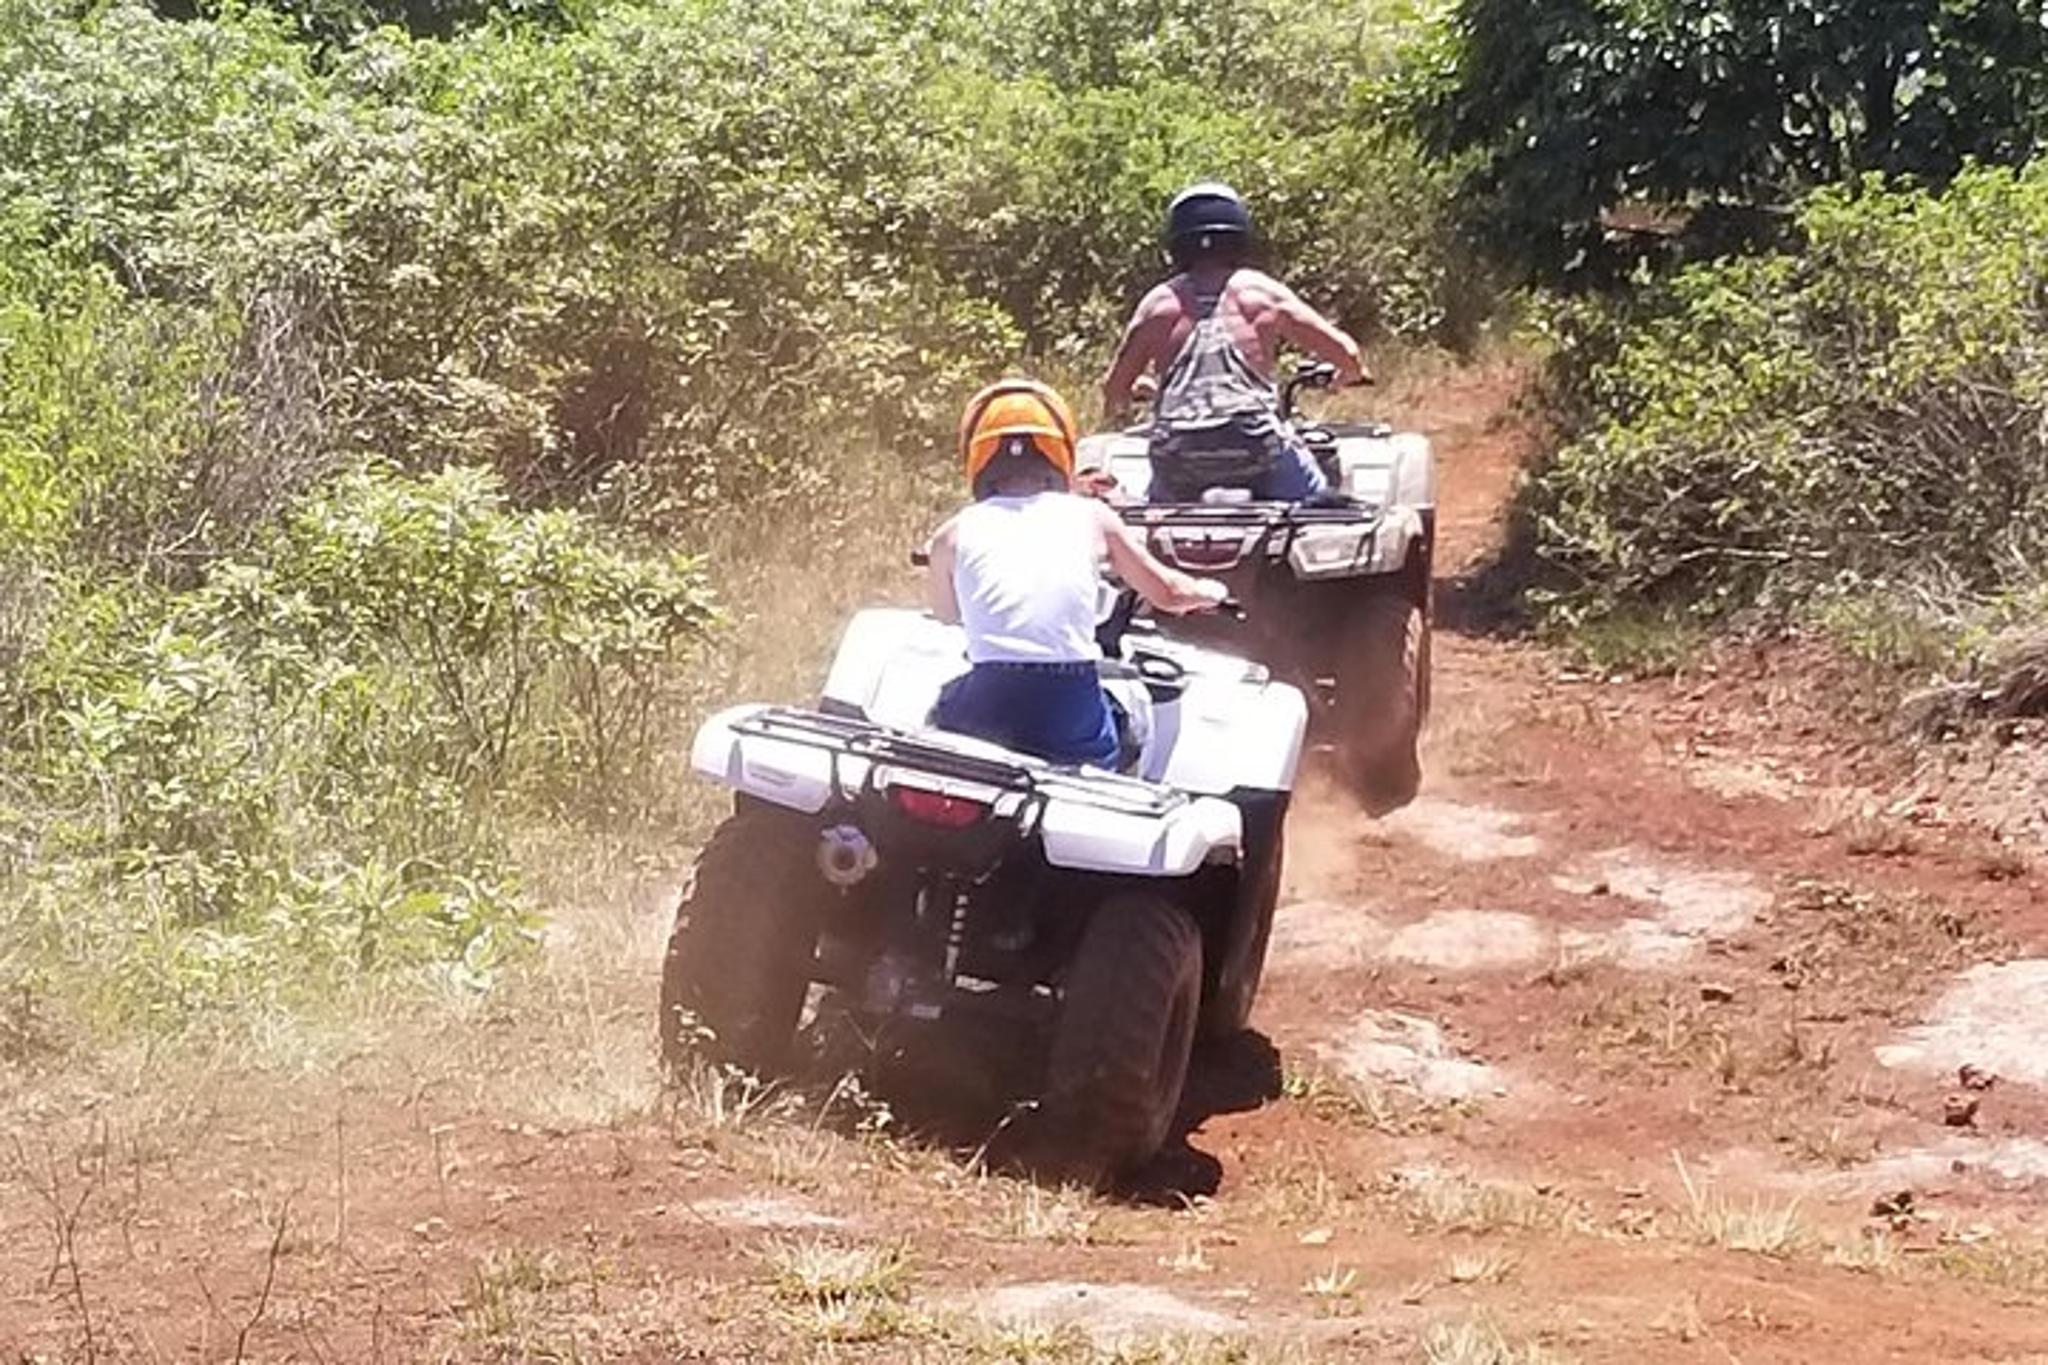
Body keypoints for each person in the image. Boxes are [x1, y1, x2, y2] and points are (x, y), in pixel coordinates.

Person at [924, 378, 1228, 768]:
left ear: (978, 456)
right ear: (1059, 452)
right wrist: (1210, 591)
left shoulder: (951, 533)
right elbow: (1168, 593)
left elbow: (949, 617)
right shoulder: (1094, 517)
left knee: (941, 717)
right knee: (1129, 726)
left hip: (986, 699)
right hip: (1067, 700)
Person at [1101, 181, 1370, 503]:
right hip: (1256, 448)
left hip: (1178, 456)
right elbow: (1346, 353)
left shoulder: (1158, 304)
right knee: (1319, 507)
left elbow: (1115, 389)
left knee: (1151, 521)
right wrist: (1347, 374)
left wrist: (1124, 415)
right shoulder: (1259, 293)